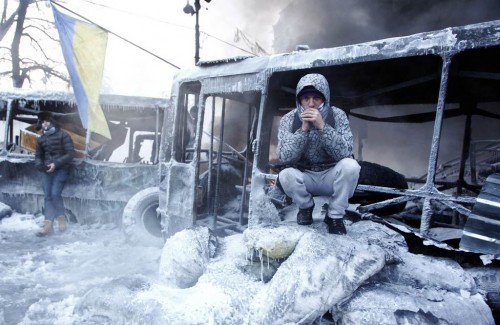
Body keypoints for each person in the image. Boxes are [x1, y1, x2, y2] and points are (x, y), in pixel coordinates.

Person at [277, 73, 360, 235]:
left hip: (331, 174)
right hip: (305, 175)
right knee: (285, 175)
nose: (311, 104)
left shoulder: (337, 115)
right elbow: (284, 157)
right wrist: (303, 130)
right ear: (299, 100)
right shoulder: (288, 119)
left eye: (316, 98)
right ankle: (305, 207)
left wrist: (323, 126)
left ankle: (334, 215)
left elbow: (345, 152)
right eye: (306, 98)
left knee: (351, 166)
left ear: (325, 98)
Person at [34, 112, 74, 236]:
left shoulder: (63, 135)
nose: (44, 124)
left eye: (46, 121)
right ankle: (48, 226)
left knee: (55, 194)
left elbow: (70, 154)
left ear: (52, 121)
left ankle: (61, 219)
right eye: (42, 122)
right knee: (47, 196)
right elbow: (38, 156)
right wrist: (40, 165)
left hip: (61, 169)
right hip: (46, 170)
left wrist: (56, 164)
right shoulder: (41, 139)